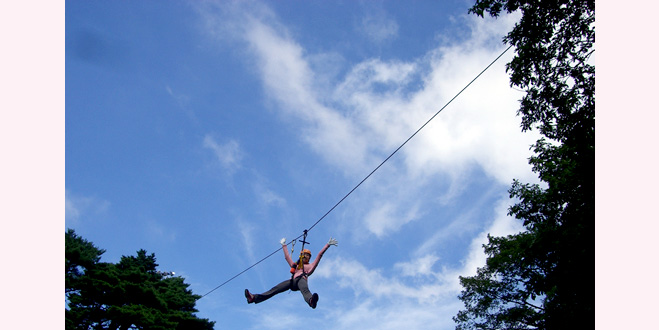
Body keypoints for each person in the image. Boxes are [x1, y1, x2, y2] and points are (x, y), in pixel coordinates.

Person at [244, 237, 338, 309]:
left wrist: (327, 245)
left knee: (305, 290)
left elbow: (319, 255)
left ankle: (311, 301)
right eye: (305, 255)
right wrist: (284, 245)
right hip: (292, 281)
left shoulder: (310, 266)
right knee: (275, 289)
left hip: (301, 280)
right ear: (302, 255)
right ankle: (253, 298)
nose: (307, 257)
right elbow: (287, 257)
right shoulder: (296, 265)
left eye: (308, 256)